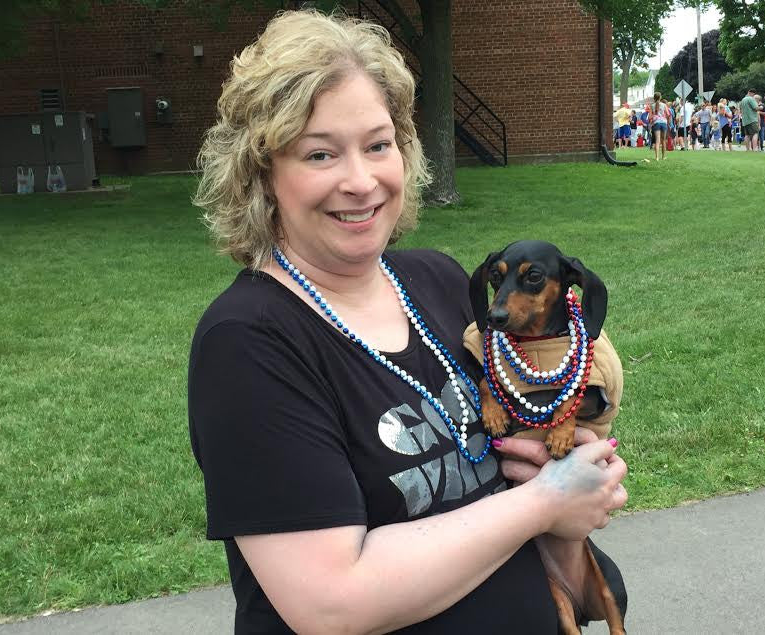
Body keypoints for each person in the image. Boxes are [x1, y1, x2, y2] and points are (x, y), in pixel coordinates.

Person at [188, 10, 628, 635]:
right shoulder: (249, 343)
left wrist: (572, 486)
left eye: (378, 144)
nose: (361, 181)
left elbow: (525, 471)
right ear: (262, 175)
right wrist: (545, 503)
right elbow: (332, 602)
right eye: (320, 153)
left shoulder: (440, 281)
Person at [650, 91, 669, 161]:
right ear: (660, 97)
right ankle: (663, 157)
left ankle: (657, 157)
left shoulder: (652, 106)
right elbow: (668, 114)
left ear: (654, 98)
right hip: (663, 122)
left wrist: (653, 118)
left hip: (656, 123)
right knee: (663, 140)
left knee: (657, 141)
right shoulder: (664, 105)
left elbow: (650, 117)